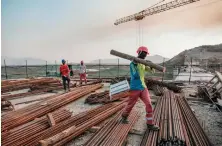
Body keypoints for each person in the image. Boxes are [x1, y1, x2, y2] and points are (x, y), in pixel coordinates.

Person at [121, 46, 165, 131]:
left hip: (143, 87)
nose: (145, 55)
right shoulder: (132, 64)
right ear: (139, 52)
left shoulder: (143, 63)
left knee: (148, 104)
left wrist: (150, 64)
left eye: (146, 54)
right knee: (131, 104)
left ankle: (150, 124)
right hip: (135, 88)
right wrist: (136, 64)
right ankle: (124, 116)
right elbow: (135, 75)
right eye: (144, 53)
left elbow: (152, 71)